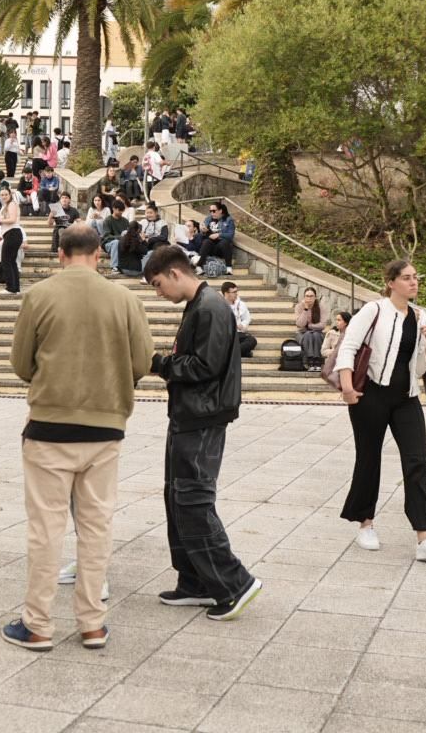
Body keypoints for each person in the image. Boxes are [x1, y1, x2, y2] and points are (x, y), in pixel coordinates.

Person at [3, 224, 153, 651]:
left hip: (50, 424)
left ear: (60, 254)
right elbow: (141, 361)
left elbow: (20, 363)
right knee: (96, 526)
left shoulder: (40, 295)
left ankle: (38, 623)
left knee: (46, 528)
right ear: (99, 255)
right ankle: (92, 623)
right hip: (105, 426)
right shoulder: (125, 299)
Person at [140, 245, 263, 620]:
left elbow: (204, 365)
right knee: (177, 498)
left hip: (203, 416)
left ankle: (234, 582)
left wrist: (160, 363)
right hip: (190, 414)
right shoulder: (201, 305)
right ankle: (195, 581)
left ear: (176, 274)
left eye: (159, 284)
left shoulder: (210, 307)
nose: (158, 293)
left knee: (192, 500)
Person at [332, 260, 426, 563]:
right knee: (369, 458)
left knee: (416, 461)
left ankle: (425, 536)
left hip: (406, 398)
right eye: (407, 278)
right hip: (370, 396)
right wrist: (347, 387)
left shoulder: (421, 316)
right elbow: (348, 346)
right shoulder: (374, 310)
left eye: (416, 277)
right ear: (391, 282)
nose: (414, 283)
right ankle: (365, 524)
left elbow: (424, 367)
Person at [0, 187, 25, 294]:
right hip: (10, 234)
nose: (3, 196)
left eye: (5, 194)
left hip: (13, 233)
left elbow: (12, 220)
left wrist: (0, 220)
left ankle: (10, 288)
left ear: (10, 194)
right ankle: (15, 288)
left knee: (6, 261)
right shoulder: (6, 205)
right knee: (11, 261)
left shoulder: (12, 204)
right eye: (1, 195)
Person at [295, 288, 328, 373]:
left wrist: (310, 326)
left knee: (315, 335)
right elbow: (300, 324)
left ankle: (317, 362)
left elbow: (323, 325)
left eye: (311, 296)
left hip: (318, 333)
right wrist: (305, 310)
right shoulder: (299, 307)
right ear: (304, 297)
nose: (309, 298)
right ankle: (310, 362)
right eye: (307, 296)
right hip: (302, 333)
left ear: (315, 297)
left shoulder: (321, 307)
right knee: (308, 334)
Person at [222, 282, 257, 358]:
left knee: (252, 340)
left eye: (236, 292)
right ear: (226, 293)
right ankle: (242, 353)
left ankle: (230, 353)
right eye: (234, 292)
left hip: (238, 334)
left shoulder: (241, 304)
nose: (236, 294)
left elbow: (247, 318)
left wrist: (242, 325)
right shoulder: (219, 305)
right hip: (224, 335)